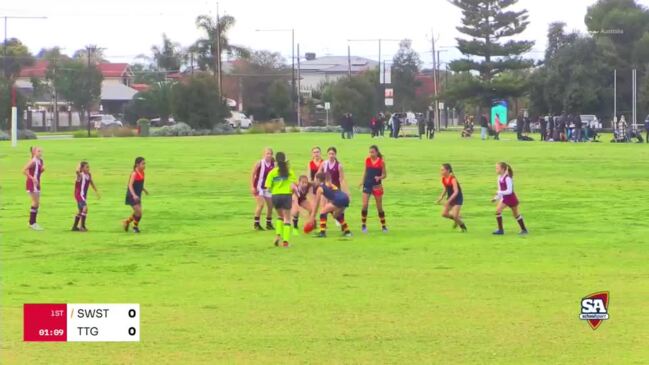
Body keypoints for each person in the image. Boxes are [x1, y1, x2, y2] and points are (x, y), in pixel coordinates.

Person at [264, 152, 297, 248]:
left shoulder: (272, 172)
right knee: (287, 218)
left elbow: (268, 188)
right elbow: (295, 184)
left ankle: (278, 235)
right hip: (286, 195)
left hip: (275, 196)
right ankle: (285, 242)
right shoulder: (289, 171)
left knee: (279, 216)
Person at [310, 172, 352, 238]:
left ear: (318, 179)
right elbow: (332, 194)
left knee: (323, 212)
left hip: (338, 200)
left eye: (315, 179)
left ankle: (322, 232)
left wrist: (313, 216)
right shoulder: (330, 184)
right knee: (335, 215)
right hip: (345, 198)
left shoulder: (319, 189)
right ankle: (347, 232)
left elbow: (317, 203)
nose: (314, 181)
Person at [492, 162, 528, 235]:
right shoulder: (499, 178)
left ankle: (524, 230)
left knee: (516, 214)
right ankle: (500, 230)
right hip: (505, 199)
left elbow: (509, 191)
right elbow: (501, 190)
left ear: (502, 169)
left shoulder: (508, 178)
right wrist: (496, 198)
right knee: (498, 210)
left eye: (497, 168)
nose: (496, 169)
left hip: (511, 198)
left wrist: (499, 192)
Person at [359, 145, 388, 233]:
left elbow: (385, 175)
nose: (371, 154)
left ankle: (383, 226)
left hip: (377, 186)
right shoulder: (367, 160)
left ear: (376, 152)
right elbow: (365, 171)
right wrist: (362, 182)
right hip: (367, 185)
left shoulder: (381, 162)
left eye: (373, 152)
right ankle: (363, 225)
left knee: (379, 207)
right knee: (364, 205)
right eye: (370, 152)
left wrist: (379, 177)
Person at [436, 163, 467, 232]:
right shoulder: (443, 178)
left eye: (442, 170)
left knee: (455, 216)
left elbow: (456, 191)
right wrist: (441, 197)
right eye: (441, 170)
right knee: (444, 214)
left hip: (457, 198)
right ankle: (458, 219)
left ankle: (463, 227)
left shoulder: (453, 179)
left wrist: (448, 200)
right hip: (450, 198)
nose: (441, 172)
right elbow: (446, 188)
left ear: (448, 170)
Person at [251, 148, 275, 231]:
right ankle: (256, 224)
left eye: (270, 154)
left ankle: (268, 223)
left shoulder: (273, 164)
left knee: (270, 206)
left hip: (267, 188)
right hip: (258, 187)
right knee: (261, 205)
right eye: (267, 154)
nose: (269, 155)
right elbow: (253, 174)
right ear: (263, 154)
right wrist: (252, 186)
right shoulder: (259, 163)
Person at [72, 161, 100, 232]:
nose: (88, 168)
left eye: (88, 167)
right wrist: (79, 165)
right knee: (85, 208)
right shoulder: (80, 175)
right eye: (86, 167)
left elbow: (91, 183)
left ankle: (74, 227)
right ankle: (82, 226)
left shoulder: (89, 175)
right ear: (82, 168)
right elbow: (77, 171)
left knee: (80, 211)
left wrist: (96, 191)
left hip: (83, 196)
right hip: (79, 195)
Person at [123, 157, 149, 233]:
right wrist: (134, 195)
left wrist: (144, 190)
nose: (144, 165)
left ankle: (127, 222)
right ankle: (135, 227)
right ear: (137, 164)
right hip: (132, 195)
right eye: (143, 163)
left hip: (137, 195)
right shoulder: (134, 173)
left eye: (145, 163)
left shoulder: (143, 173)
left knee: (138, 212)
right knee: (139, 212)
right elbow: (130, 185)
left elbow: (139, 184)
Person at [23, 146, 45, 231]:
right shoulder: (33, 161)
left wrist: (42, 170)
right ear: (34, 153)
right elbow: (24, 170)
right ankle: (32, 223)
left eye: (41, 151)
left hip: (37, 184)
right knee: (35, 202)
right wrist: (32, 178)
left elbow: (37, 172)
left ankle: (32, 222)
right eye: (38, 151)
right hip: (32, 183)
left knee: (37, 203)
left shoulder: (40, 161)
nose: (40, 153)